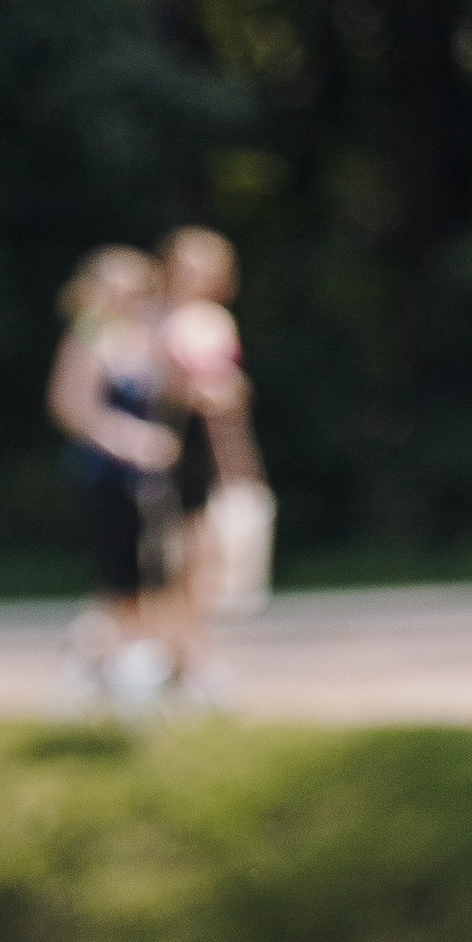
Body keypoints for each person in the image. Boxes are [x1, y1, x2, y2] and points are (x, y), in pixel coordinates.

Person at [47, 247, 178, 708]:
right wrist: (132, 440)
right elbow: (72, 408)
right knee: (120, 579)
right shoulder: (87, 337)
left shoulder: (141, 338)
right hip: (107, 474)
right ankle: (119, 673)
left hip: (146, 479)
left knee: (149, 578)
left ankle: (96, 663)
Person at [155, 229, 272, 705]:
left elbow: (233, 397)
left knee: (203, 560)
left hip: (210, 448)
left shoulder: (219, 322)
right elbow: (155, 390)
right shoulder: (157, 322)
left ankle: (193, 654)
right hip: (171, 445)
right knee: (173, 559)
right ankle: (177, 654)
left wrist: (243, 462)